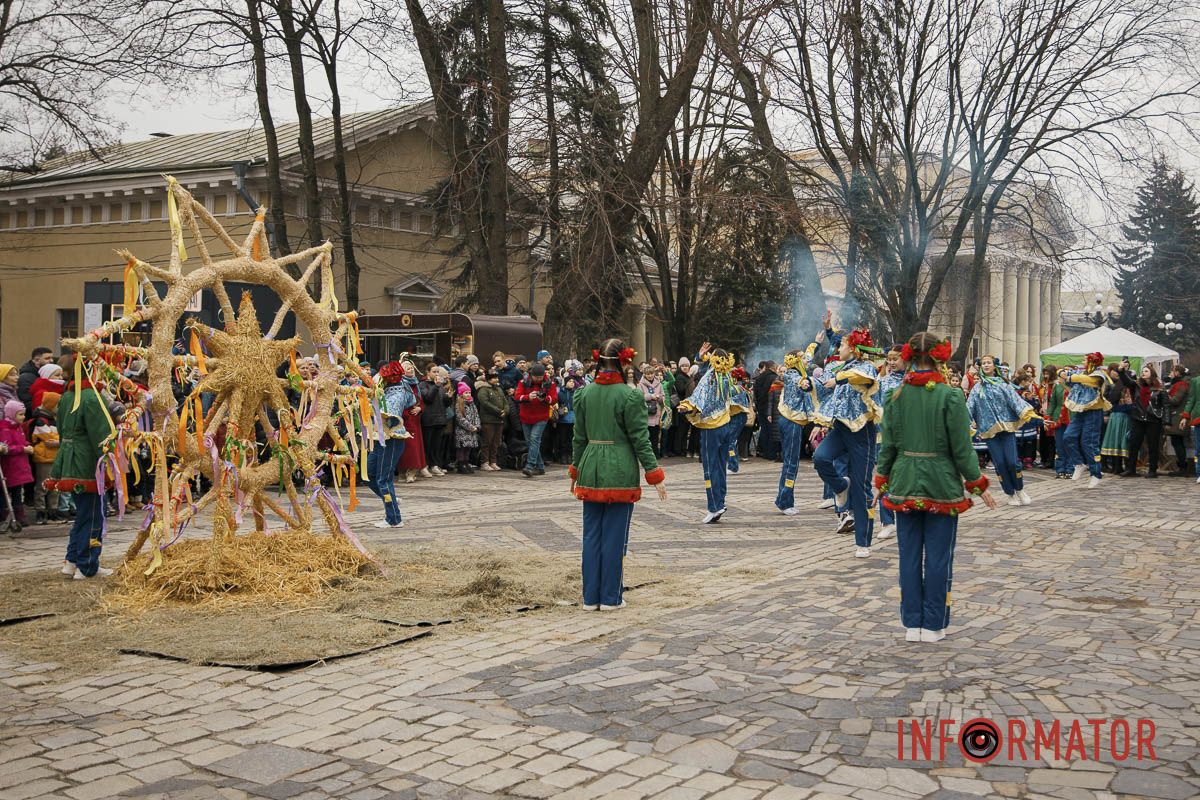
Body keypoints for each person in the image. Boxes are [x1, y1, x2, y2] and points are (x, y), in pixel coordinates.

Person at [874, 332, 997, 643]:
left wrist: (881, 478)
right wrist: (977, 483)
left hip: (903, 480)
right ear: (940, 358)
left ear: (910, 357)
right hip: (941, 482)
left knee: (909, 555)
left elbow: (887, 445)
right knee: (940, 557)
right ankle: (933, 625)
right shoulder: (950, 396)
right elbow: (962, 447)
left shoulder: (895, 396)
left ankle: (911, 624)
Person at [569, 338, 667, 610]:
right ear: (624, 362)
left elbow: (578, 437)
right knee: (614, 536)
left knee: (591, 535)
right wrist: (654, 473)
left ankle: (591, 597)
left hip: (590, 466)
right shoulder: (630, 395)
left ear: (598, 360)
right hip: (620, 468)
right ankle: (611, 597)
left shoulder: (584, 394)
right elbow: (640, 439)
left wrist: (574, 470)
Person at [812, 329, 883, 557]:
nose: (838, 350)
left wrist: (839, 378)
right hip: (840, 428)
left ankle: (863, 541)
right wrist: (810, 383)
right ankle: (841, 486)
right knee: (820, 458)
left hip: (862, 432)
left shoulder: (865, 367)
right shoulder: (841, 368)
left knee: (862, 488)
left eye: (841, 346)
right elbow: (828, 390)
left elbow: (861, 377)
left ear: (852, 348)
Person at [47, 357, 114, 578]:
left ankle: (72, 560)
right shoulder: (91, 397)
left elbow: (61, 428)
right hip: (87, 463)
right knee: (94, 514)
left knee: (83, 514)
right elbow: (101, 436)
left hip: (69, 459)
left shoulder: (67, 396)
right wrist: (110, 462)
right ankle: (87, 565)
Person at [966, 355, 1039, 506]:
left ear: (994, 366)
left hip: (1007, 429)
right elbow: (968, 409)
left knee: (1012, 462)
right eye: (984, 363)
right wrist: (963, 425)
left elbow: (1016, 402)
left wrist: (1034, 416)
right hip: (989, 432)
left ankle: (1019, 489)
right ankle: (1010, 493)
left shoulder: (1004, 385)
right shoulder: (977, 389)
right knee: (1000, 463)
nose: (986, 365)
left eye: (989, 363)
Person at [678, 345, 739, 524]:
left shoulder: (710, 377)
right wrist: (699, 356)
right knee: (720, 466)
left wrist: (686, 407)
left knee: (710, 467)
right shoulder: (726, 376)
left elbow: (699, 397)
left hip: (711, 428)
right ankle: (720, 501)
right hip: (725, 425)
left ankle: (714, 506)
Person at [775, 345, 819, 515]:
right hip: (791, 422)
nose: (806, 360)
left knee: (790, 461)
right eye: (801, 358)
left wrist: (815, 344)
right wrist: (816, 419)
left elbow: (808, 357)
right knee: (791, 462)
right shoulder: (794, 376)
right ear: (795, 362)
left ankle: (785, 499)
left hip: (791, 421)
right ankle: (785, 501)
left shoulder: (797, 371)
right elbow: (798, 382)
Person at [368, 362, 411, 529]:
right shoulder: (386, 388)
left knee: (384, 479)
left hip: (392, 438)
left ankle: (394, 519)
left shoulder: (398, 393)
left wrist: (373, 402)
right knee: (369, 474)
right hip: (378, 436)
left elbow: (390, 415)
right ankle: (391, 500)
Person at [873, 345, 908, 537]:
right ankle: (887, 521)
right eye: (889, 359)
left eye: (896, 359)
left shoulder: (910, 381)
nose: (892, 363)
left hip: (908, 436)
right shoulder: (883, 382)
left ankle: (905, 515)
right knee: (884, 474)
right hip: (885, 436)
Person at [1062, 352, 1111, 488]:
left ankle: (1096, 473)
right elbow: (1066, 380)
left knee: (1088, 442)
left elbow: (1086, 380)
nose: (1082, 361)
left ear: (1091, 361)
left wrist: (1070, 376)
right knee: (1068, 436)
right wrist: (1063, 373)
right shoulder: (1080, 373)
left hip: (1093, 412)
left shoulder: (1098, 375)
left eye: (1085, 359)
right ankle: (1078, 463)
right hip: (1080, 411)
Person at [1118, 362, 1166, 478]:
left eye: (1146, 371)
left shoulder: (1159, 388)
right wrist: (1121, 370)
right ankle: (1131, 469)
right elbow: (1126, 381)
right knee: (1134, 444)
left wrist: (1167, 422)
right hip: (1138, 418)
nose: (1143, 373)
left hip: (1153, 420)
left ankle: (1152, 470)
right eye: (1143, 371)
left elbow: (1166, 405)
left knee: (1153, 445)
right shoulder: (1136, 385)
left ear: (1152, 374)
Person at [515, 363, 558, 476]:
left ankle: (530, 466)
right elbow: (517, 396)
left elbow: (554, 399)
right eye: (536, 377)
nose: (539, 379)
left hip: (541, 417)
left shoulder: (550, 383)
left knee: (534, 440)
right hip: (525, 416)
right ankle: (540, 467)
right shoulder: (523, 382)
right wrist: (527, 397)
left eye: (540, 377)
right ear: (531, 375)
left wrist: (545, 398)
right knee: (530, 443)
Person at [27, 391, 62, 524]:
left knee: (55, 485)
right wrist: (60, 440)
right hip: (44, 457)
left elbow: (58, 437)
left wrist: (59, 440)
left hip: (55, 456)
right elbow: (49, 438)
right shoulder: (41, 420)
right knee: (43, 485)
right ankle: (40, 512)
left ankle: (53, 510)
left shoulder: (55, 419)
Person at [0, 400, 34, 527]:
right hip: (10, 467)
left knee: (18, 492)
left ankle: (19, 516)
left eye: (23, 414)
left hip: (19, 466)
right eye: (20, 414)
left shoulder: (18, 427)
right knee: (7, 493)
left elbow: (22, 441)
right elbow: (6, 448)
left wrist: (28, 446)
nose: (23, 417)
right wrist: (22, 449)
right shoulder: (5, 429)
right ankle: (6, 516)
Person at [393, 358, 427, 481]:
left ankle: (412, 471)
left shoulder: (416, 383)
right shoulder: (399, 384)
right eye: (408, 368)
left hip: (415, 420)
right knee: (406, 447)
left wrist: (420, 409)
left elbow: (420, 401)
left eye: (412, 367)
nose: (411, 369)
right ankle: (402, 471)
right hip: (404, 419)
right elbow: (397, 402)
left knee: (415, 447)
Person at [419, 365, 451, 479]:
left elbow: (445, 403)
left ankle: (435, 465)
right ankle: (425, 466)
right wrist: (436, 386)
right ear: (428, 373)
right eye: (434, 372)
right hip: (429, 419)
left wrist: (448, 398)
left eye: (438, 372)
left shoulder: (440, 386)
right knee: (427, 444)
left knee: (437, 445)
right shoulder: (423, 384)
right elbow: (428, 398)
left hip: (440, 418)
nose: (437, 374)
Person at [1100, 367, 1132, 475]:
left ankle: (1120, 467)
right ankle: (1118, 467)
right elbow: (1111, 401)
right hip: (1120, 416)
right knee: (1118, 441)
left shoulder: (1120, 386)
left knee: (1119, 441)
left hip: (1120, 416)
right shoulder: (1119, 387)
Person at [476, 369, 507, 471]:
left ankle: (493, 461)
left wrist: (506, 411)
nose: (496, 379)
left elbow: (505, 401)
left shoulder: (499, 389)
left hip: (499, 420)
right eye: (494, 378)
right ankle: (484, 462)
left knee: (496, 442)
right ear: (488, 379)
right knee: (487, 442)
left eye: (497, 377)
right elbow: (485, 403)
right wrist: (499, 411)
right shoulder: (483, 389)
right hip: (488, 420)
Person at [726, 367, 754, 474]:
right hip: (738, 417)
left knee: (730, 440)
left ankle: (733, 466)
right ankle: (731, 464)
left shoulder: (734, 388)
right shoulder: (741, 388)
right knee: (730, 440)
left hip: (736, 416)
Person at [1165, 366, 1191, 476]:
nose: (1170, 373)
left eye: (1172, 371)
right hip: (1177, 416)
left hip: (1178, 417)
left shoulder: (1181, 384)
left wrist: (1164, 395)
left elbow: (1176, 400)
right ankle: (1182, 467)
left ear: (1177, 373)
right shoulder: (1181, 383)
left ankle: (1183, 468)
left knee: (1177, 442)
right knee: (1177, 442)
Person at [1177, 367, 1200, 484]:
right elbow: (1191, 399)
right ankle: (1199, 472)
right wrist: (1185, 417)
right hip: (1198, 417)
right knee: (1199, 448)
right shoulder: (1196, 381)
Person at [638, 365, 666, 458]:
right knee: (646, 436)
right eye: (647, 374)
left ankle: (655, 453)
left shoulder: (659, 384)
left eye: (651, 374)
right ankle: (647, 455)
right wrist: (650, 396)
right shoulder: (640, 384)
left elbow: (663, 396)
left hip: (656, 412)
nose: (650, 376)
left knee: (655, 435)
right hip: (646, 413)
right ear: (644, 374)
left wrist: (659, 397)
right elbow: (639, 397)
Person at [453, 382, 481, 474]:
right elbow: (459, 418)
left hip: (472, 430)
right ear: (461, 394)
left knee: (468, 447)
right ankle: (461, 464)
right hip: (462, 431)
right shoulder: (459, 404)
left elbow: (476, 415)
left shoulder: (472, 403)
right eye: (466, 393)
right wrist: (470, 427)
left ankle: (466, 462)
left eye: (469, 392)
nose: (468, 394)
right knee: (462, 447)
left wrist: (477, 426)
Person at [16, 347, 54, 411]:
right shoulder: (25, 378)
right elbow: (27, 403)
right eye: (47, 358)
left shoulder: (45, 374)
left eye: (51, 358)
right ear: (36, 360)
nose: (52, 361)